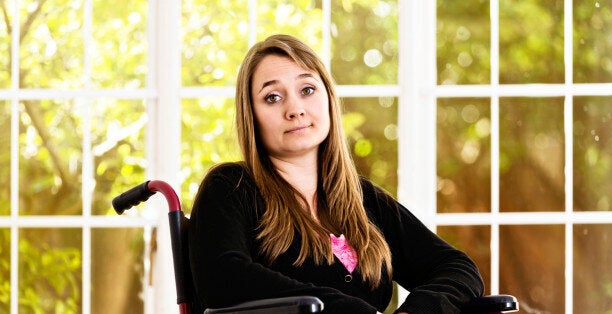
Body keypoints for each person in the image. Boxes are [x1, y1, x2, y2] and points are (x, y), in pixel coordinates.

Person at [188, 34, 484, 314]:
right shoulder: (230, 187)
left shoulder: (362, 198)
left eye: (307, 90)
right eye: (273, 97)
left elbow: (456, 267)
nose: (295, 110)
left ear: (329, 99)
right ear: (250, 114)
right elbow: (222, 277)